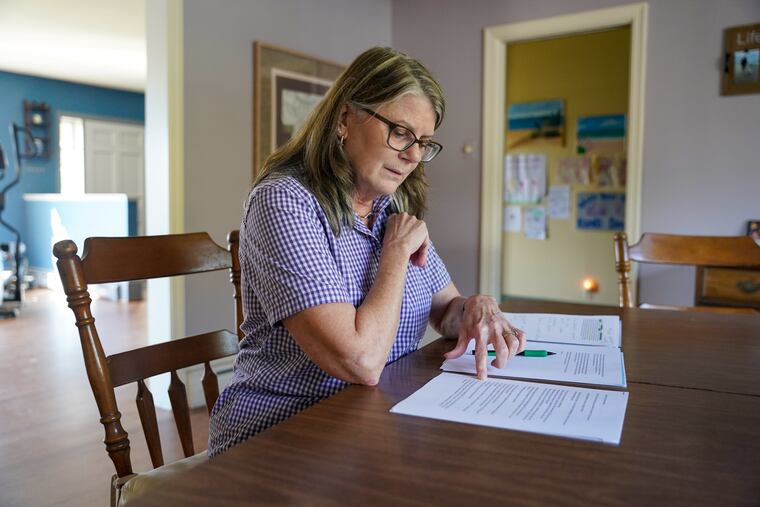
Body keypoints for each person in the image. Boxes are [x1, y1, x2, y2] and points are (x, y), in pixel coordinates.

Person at [208, 47, 526, 457]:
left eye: (423, 142)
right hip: (281, 434)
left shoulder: (389, 208)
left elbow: (446, 308)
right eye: (401, 132)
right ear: (344, 119)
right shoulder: (285, 202)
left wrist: (475, 306)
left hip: (371, 424)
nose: (413, 156)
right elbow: (361, 361)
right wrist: (394, 255)